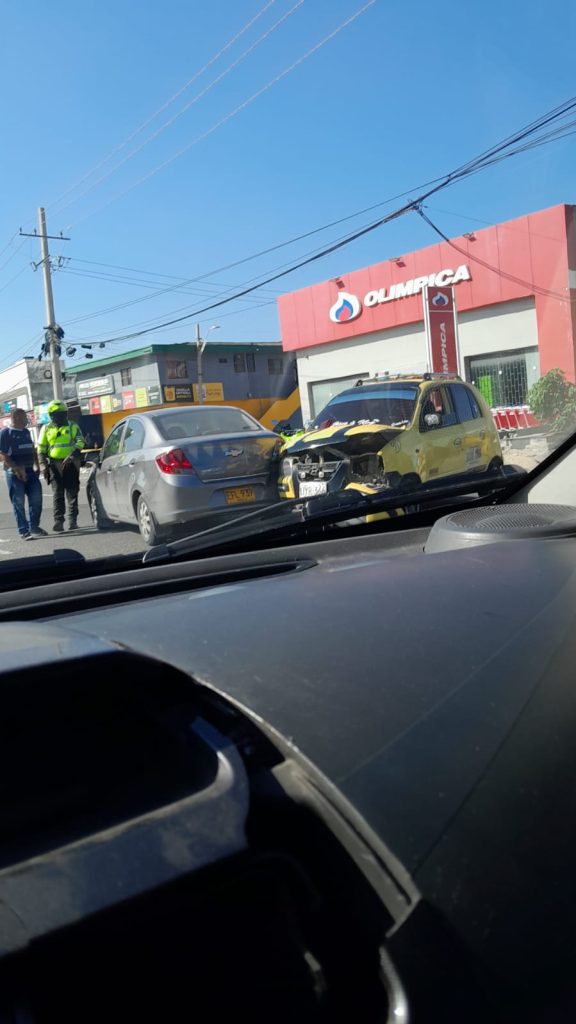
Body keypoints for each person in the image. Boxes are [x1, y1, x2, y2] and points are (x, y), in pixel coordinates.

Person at [37, 401, 85, 532]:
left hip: (71, 463)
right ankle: (58, 521)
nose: (59, 417)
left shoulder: (72, 426)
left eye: (61, 414)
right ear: (51, 415)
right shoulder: (46, 429)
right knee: (58, 494)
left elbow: (80, 441)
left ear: (66, 414)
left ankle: (72, 521)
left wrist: (72, 455)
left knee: (72, 493)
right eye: (56, 415)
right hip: (54, 465)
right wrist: (43, 466)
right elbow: (41, 449)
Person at [0, 408, 47, 540]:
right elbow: (3, 455)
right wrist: (16, 469)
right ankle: (23, 531)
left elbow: (32, 449)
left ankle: (34, 527)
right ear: (16, 418)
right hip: (14, 473)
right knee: (18, 503)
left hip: (30, 471)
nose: (27, 420)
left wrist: (37, 466)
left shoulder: (26, 432)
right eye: (24, 417)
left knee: (36, 500)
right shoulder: (5, 433)